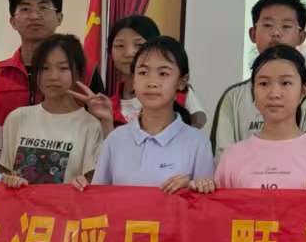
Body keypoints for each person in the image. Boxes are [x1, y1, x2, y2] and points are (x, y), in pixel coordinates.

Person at [198, 46, 306, 195]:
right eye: (264, 83)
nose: (274, 94)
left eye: (286, 83)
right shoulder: (232, 156)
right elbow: (219, 207)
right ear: (253, 91)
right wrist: (202, 189)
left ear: (303, 91)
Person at [209, 0, 306, 155]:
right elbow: (222, 157)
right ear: (253, 33)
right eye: (267, 25)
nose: (276, 33)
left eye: (286, 26)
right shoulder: (233, 96)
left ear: (301, 37)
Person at [85, 36, 213, 191]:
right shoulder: (115, 140)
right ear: (134, 80)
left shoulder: (198, 143)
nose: (152, 82)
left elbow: (204, 200)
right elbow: (98, 197)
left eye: (163, 73)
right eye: (143, 72)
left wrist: (190, 187)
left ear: (182, 82)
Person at [0, 34, 113, 184]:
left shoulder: (91, 126)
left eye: (63, 68)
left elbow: (94, 183)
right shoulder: (17, 118)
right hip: (20, 200)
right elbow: (4, 173)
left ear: (78, 73)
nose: (53, 76)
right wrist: (9, 180)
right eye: (45, 68)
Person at [0, 0, 64, 123]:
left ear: (59, 18)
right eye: (25, 9)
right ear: (13, 21)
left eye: (43, 8)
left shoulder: (82, 72)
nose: (34, 16)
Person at [103, 15, 160, 121]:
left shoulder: (178, 96)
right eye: (120, 45)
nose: (129, 53)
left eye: (139, 45)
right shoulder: (105, 108)